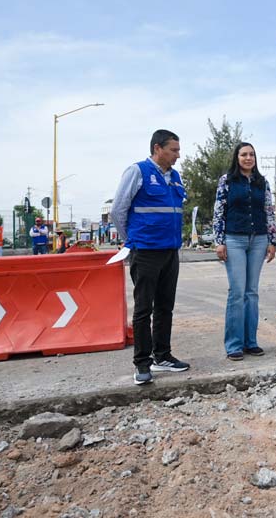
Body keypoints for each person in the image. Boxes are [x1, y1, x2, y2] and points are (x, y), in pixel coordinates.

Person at [111, 129, 190, 385]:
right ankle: (142, 364)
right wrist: (131, 240)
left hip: (170, 250)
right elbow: (118, 210)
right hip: (145, 251)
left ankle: (163, 356)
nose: (178, 155)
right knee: (144, 309)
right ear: (158, 148)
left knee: (165, 306)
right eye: (174, 150)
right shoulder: (138, 171)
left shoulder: (175, 177)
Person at [213, 142, 276, 361]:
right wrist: (219, 241)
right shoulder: (227, 181)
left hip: (259, 239)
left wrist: (272, 240)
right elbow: (219, 212)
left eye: (251, 154)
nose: (248, 158)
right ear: (237, 157)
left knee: (252, 292)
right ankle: (234, 344)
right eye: (244, 154)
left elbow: (269, 211)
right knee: (237, 291)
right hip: (234, 239)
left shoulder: (262, 182)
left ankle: (251, 342)